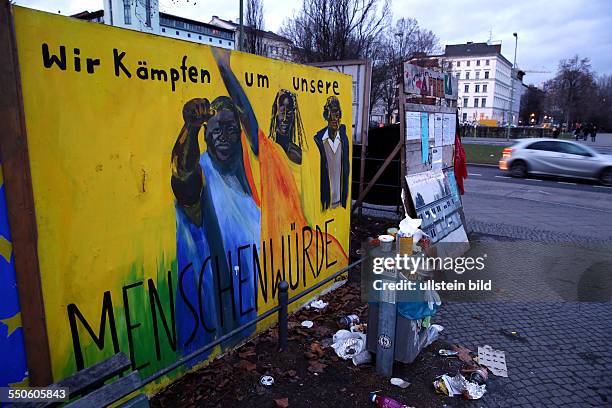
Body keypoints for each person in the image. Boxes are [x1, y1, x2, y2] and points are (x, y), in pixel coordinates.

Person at [314, 96, 350, 211]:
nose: (336, 117)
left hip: (340, 204)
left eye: (338, 112)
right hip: (324, 205)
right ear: (326, 115)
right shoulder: (318, 140)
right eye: (333, 112)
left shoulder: (344, 140)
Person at [269, 89, 306, 165]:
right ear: (276, 114)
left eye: (289, 112)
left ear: (293, 116)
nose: (285, 118)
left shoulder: (299, 156)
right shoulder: (268, 151)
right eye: (282, 112)